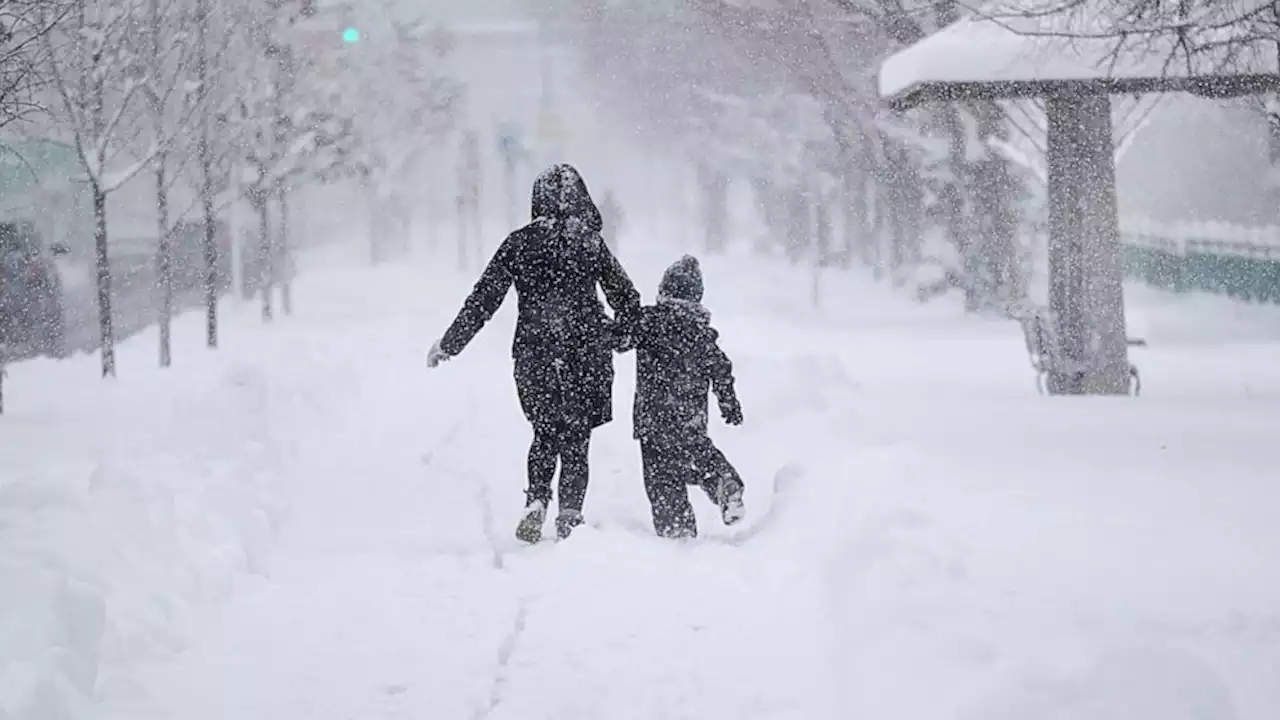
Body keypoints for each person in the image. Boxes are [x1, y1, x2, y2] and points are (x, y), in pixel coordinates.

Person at [426, 164, 641, 543]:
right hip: (585, 353)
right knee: (576, 438)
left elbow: (484, 299)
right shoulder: (588, 242)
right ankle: (570, 514)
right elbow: (626, 296)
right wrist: (620, 335)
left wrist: (451, 342)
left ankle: (537, 500)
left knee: (544, 432)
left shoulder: (519, 243)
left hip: (535, 352)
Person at [623, 254, 745, 539]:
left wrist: (601, 321)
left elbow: (619, 339)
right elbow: (721, 367)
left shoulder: (649, 322)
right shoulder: (701, 333)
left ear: (664, 291)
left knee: (662, 477)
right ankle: (723, 480)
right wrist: (728, 403)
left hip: (652, 418)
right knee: (698, 452)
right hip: (690, 415)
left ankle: (675, 526)